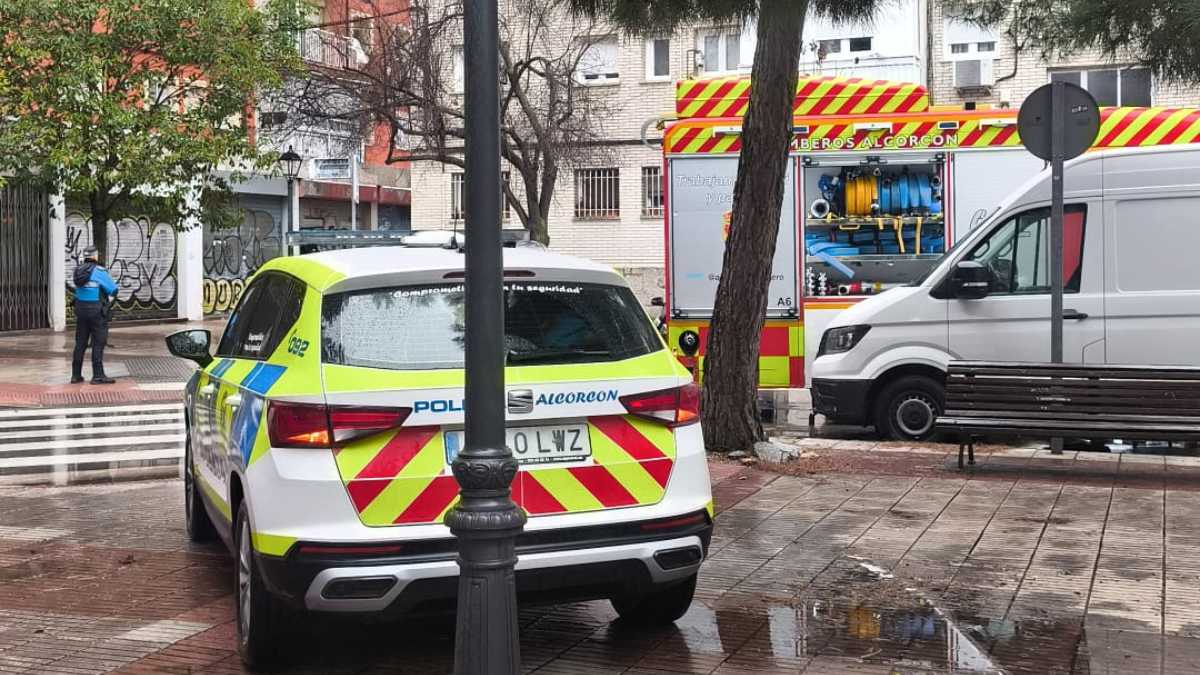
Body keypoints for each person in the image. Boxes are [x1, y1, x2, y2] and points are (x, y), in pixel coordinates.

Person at [72, 246, 118, 384]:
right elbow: (113, 289)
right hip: (96, 311)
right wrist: (107, 301)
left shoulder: (78, 271)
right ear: (95, 256)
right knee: (98, 342)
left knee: (80, 342)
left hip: (80, 309)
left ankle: (76, 375)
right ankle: (98, 375)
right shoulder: (99, 271)